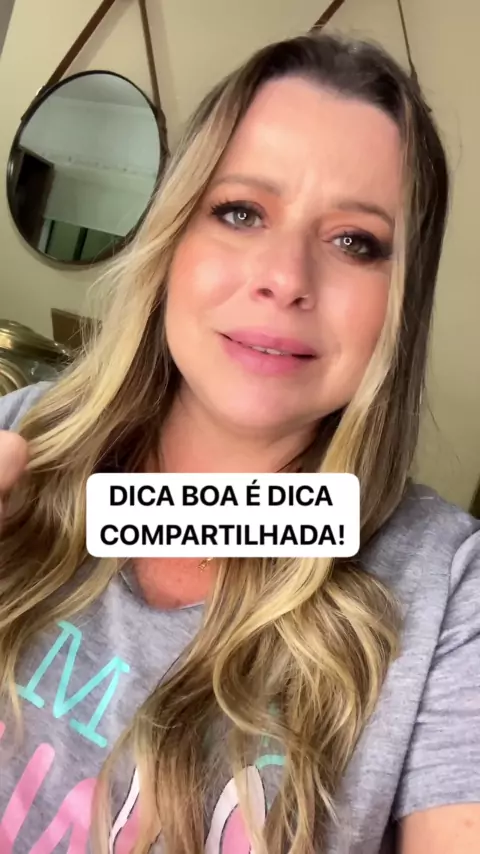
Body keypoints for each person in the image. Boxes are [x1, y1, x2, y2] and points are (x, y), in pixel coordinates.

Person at [0, 31, 478, 854]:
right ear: (173, 238)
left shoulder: (447, 592)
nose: (285, 278)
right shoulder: (24, 437)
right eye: (240, 211)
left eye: (356, 241)